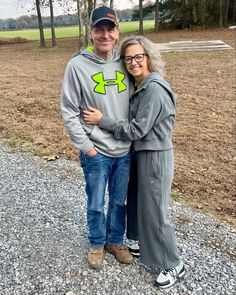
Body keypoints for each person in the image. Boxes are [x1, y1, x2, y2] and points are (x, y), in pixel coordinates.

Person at [83, 36, 185, 288]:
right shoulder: (140, 85)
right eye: (128, 58)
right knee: (140, 206)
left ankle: (174, 264)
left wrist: (102, 120)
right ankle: (150, 249)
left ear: (148, 57)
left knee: (154, 211)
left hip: (155, 157)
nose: (133, 62)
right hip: (142, 154)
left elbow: (137, 129)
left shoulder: (154, 89)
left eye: (139, 56)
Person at [60, 6, 134, 269]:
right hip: (96, 152)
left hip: (124, 150)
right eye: (99, 29)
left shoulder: (126, 62)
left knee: (118, 201)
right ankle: (95, 243)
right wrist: (87, 147)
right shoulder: (77, 66)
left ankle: (114, 241)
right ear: (90, 33)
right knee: (95, 202)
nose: (105, 34)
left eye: (110, 29)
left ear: (117, 33)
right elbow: (68, 110)